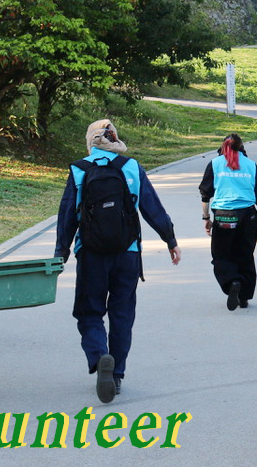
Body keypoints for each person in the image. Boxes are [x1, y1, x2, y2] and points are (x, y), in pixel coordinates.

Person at [56, 119, 180, 404]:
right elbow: (152, 207)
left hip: (91, 254)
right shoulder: (131, 167)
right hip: (128, 253)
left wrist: (60, 255)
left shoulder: (79, 169)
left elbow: (67, 216)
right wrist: (170, 240)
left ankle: (101, 358)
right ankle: (117, 374)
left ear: (90, 142)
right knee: (122, 314)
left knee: (89, 313)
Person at [200, 133, 257, 311]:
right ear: (241, 147)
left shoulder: (215, 164)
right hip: (248, 216)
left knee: (222, 254)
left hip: (224, 216)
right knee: (245, 254)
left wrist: (206, 218)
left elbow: (205, 194)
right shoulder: (251, 165)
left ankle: (232, 281)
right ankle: (244, 295)